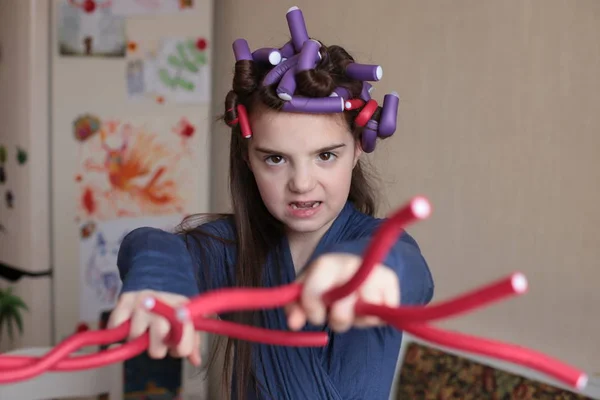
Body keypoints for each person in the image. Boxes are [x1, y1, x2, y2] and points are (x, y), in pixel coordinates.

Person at [109, 6, 435, 400]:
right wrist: (159, 277)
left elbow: (410, 272)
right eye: (275, 158)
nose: (301, 184)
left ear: (357, 150)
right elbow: (149, 243)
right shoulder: (231, 250)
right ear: (248, 158)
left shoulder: (383, 245)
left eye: (326, 156)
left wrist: (371, 269)